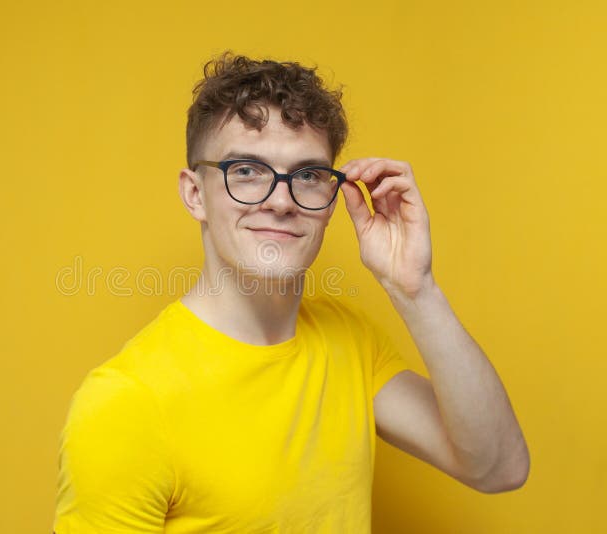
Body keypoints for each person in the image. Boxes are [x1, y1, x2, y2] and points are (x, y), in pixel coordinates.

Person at [53, 51, 529, 533]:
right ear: (195, 194)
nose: (281, 201)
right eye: (246, 170)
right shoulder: (124, 404)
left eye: (307, 176)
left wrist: (414, 288)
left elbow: (498, 468)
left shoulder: (349, 340)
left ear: (331, 200)